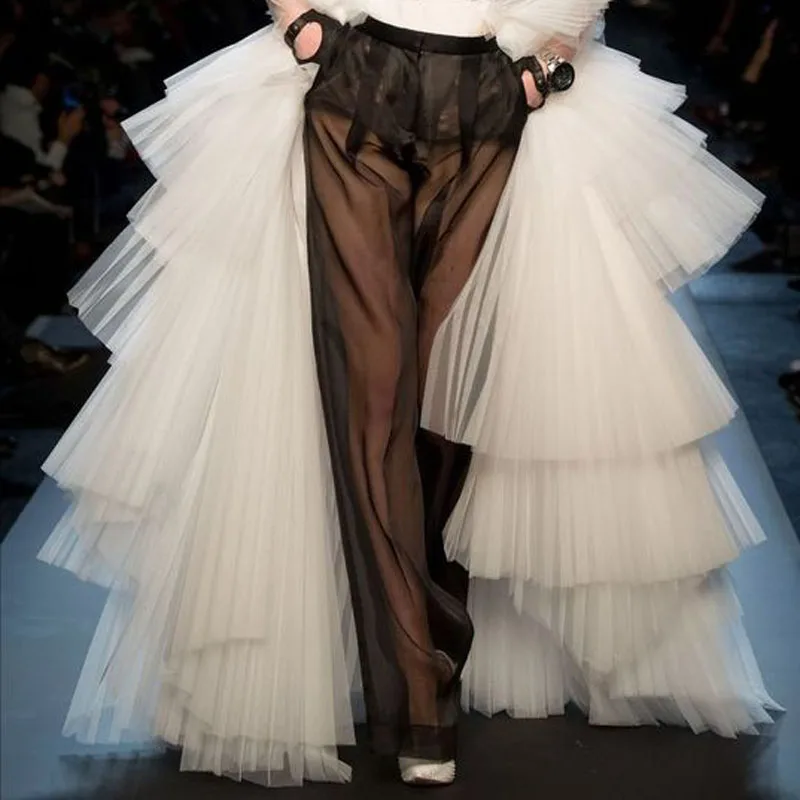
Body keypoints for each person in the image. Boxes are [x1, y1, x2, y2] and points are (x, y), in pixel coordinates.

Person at [37, 0, 780, 790]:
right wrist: (305, 29)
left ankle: (437, 633)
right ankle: (417, 695)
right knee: (376, 397)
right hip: (357, 74)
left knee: (447, 403)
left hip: (492, 91)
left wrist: (544, 67)